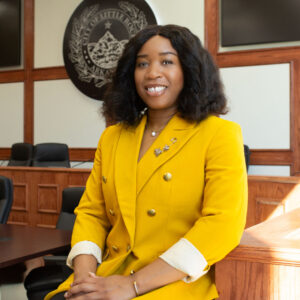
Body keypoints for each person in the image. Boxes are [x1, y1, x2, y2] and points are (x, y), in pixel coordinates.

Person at [46, 24, 247, 300]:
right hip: (108, 274)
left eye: (167, 61)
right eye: (142, 64)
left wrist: (132, 285)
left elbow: (222, 225)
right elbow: (92, 213)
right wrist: (83, 280)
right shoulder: (112, 137)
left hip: (173, 283)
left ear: (189, 70)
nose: (152, 73)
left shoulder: (220, 134)